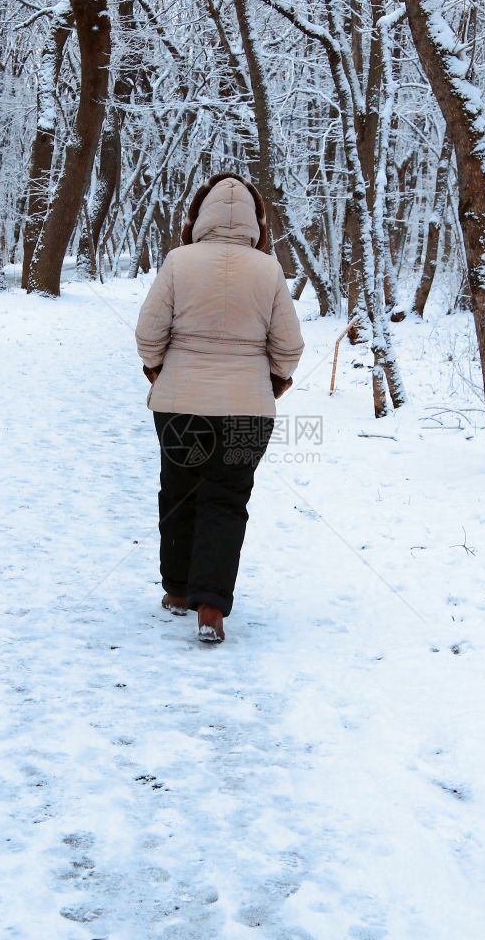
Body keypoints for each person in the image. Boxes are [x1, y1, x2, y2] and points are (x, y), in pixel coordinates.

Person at [135, 172, 304, 643]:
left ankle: (176, 590)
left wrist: (157, 369)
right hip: (248, 410)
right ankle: (210, 607)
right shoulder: (268, 269)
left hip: (178, 405)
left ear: (198, 215)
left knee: (180, 489)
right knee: (227, 500)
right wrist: (274, 379)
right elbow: (289, 346)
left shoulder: (178, 262)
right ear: (256, 221)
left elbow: (149, 334)